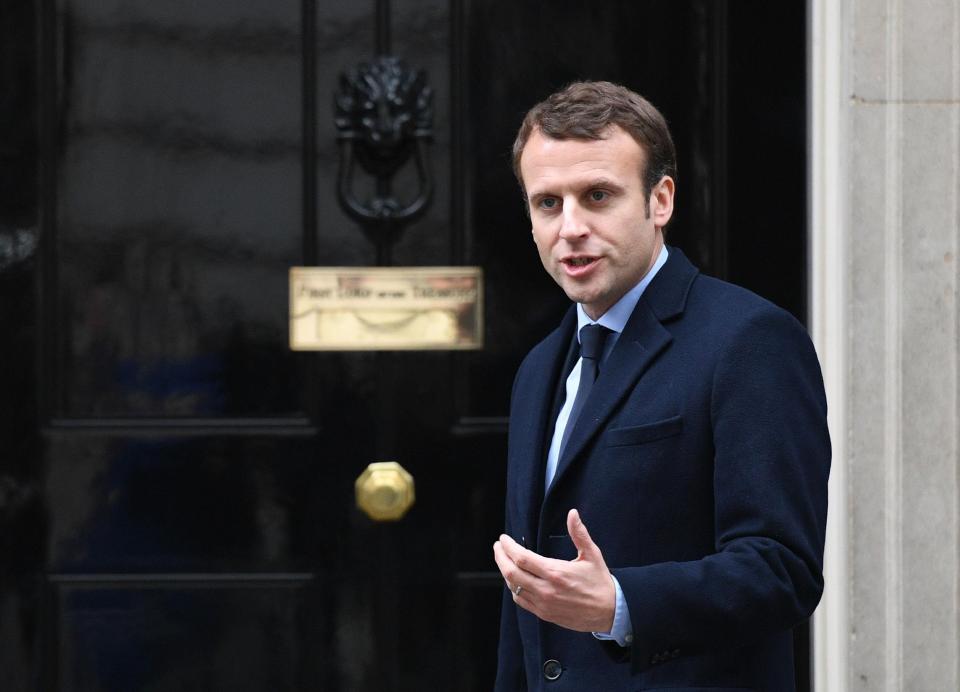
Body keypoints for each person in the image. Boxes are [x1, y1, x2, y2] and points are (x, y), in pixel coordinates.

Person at [492, 81, 830, 691]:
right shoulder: (538, 369)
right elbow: (528, 602)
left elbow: (782, 570)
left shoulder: (750, 341)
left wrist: (620, 604)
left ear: (660, 200)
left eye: (597, 196)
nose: (571, 227)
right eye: (547, 203)